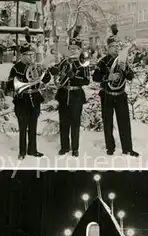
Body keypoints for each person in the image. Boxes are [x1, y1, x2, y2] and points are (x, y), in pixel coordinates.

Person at [92, 25, 139, 157]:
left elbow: (131, 77)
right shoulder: (103, 61)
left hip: (120, 95)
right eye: (113, 47)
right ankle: (110, 147)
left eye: (118, 47)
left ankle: (127, 148)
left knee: (124, 122)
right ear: (108, 48)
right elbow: (95, 77)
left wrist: (125, 69)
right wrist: (108, 77)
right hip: (107, 95)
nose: (116, 49)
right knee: (107, 122)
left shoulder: (123, 60)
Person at [7, 30, 51, 160]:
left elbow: (45, 80)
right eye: (27, 55)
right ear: (22, 56)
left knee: (33, 125)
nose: (31, 57)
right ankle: (22, 151)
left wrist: (45, 72)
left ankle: (33, 150)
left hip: (35, 98)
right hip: (22, 99)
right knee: (23, 126)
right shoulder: (16, 68)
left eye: (32, 55)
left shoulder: (36, 66)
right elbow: (10, 86)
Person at [51, 25, 90, 157]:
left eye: (76, 49)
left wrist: (75, 76)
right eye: (71, 48)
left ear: (80, 50)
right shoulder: (64, 61)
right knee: (64, 123)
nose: (73, 50)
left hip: (76, 96)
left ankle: (75, 148)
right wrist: (54, 70)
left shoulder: (83, 64)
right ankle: (64, 147)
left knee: (75, 123)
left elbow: (87, 80)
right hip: (63, 95)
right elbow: (56, 74)